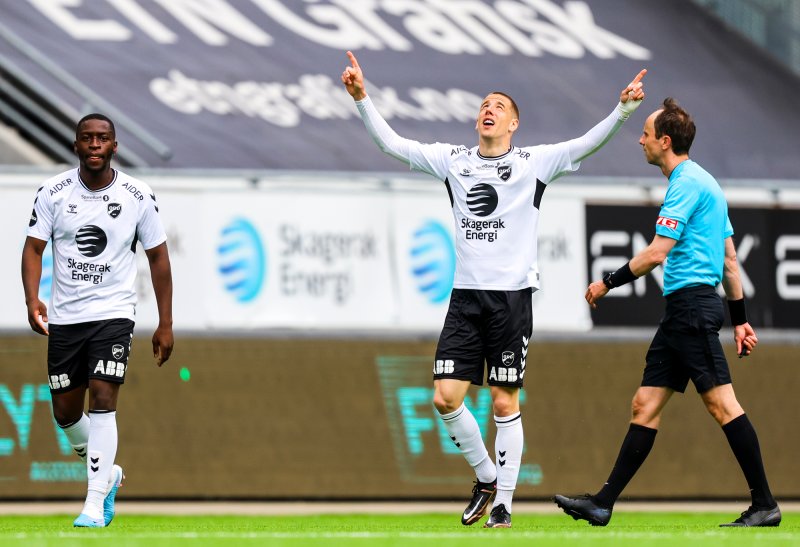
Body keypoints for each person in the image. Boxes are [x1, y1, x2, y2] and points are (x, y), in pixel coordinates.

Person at [341, 51, 646, 528]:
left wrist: (623, 110)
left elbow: (587, 143)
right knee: (445, 396)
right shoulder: (452, 161)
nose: (489, 108)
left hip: (511, 299)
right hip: (465, 298)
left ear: (514, 124)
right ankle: (486, 477)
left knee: (505, 401)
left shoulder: (533, 164)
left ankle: (503, 503)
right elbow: (393, 146)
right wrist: (362, 99)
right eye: (484, 103)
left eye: (499, 106)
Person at [553, 98, 780, 528]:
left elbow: (658, 253)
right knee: (645, 405)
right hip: (686, 310)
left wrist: (608, 281)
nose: (639, 141)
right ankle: (602, 503)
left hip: (691, 309)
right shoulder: (708, 183)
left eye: (645, 134)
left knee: (722, 405)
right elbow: (730, 260)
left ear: (665, 141)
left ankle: (765, 503)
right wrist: (741, 318)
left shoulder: (685, 184)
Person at [21, 113, 174, 528]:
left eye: (102, 138)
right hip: (67, 318)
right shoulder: (53, 192)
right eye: (86, 138)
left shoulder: (137, 194)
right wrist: (32, 298)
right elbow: (34, 248)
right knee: (66, 414)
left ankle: (92, 503)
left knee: (103, 400)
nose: (94, 144)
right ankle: (109, 474)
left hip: (114, 315)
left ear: (114, 146)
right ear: (76, 145)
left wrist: (165, 323)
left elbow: (158, 257)